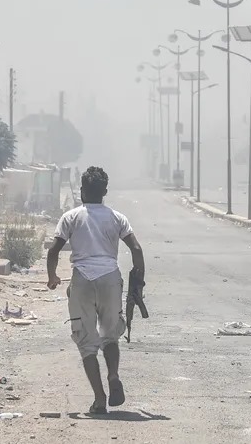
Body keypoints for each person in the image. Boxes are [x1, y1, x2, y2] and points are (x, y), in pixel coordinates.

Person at [47, 166, 145, 415]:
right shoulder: (117, 218)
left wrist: (52, 277)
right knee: (110, 336)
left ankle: (100, 398)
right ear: (105, 192)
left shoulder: (71, 217)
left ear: (82, 191)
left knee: (86, 343)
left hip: (82, 281)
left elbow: (53, 250)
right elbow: (136, 249)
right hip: (110, 279)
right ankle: (113, 376)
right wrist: (138, 282)